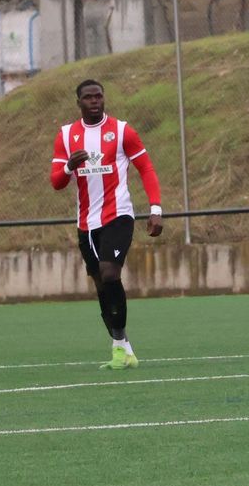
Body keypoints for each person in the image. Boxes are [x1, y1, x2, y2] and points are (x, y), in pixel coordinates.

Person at [50, 79, 164, 370]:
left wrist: (155, 209)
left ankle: (121, 346)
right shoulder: (66, 135)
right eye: (88, 97)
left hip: (119, 215)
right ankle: (121, 345)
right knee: (101, 284)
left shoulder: (123, 130)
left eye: (99, 96)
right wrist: (68, 167)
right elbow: (56, 183)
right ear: (79, 102)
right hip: (87, 222)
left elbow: (146, 168)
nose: (95, 101)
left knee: (110, 273)